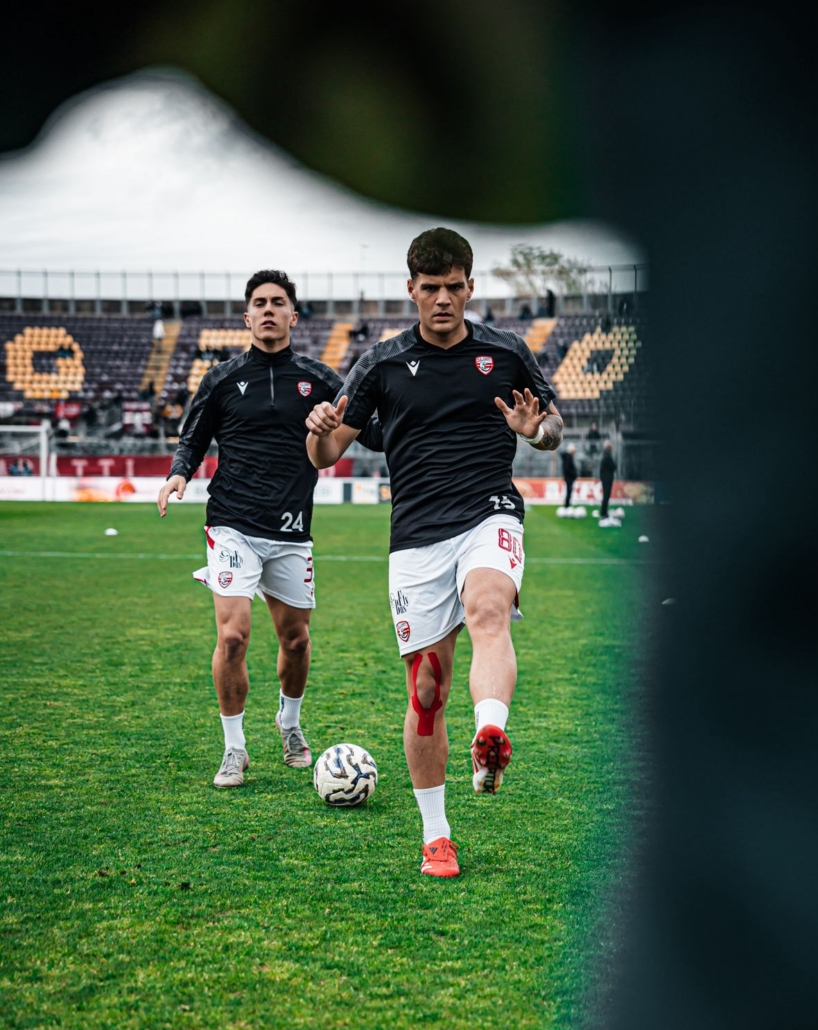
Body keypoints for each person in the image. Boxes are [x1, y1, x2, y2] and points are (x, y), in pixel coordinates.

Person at [305, 228, 562, 878]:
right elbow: (328, 453)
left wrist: (537, 432)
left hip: (489, 511)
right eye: (430, 288)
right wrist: (316, 432)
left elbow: (554, 425)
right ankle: (436, 835)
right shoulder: (381, 363)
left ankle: (489, 732)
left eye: (453, 287)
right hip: (416, 536)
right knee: (426, 689)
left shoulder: (506, 352)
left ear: (470, 287)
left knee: (489, 608)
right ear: (411, 289)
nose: (443, 298)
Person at [157, 269, 382, 789]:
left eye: (278, 302)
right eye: (259, 303)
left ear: (293, 316)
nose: (268, 310)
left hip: (291, 529)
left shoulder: (319, 378)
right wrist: (178, 474)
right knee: (233, 636)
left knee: (296, 641)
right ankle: (234, 749)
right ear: (246, 316)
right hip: (232, 523)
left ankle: (290, 723)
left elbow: (368, 431)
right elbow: (194, 437)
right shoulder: (221, 378)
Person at [598, 440, 619, 526]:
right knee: (606, 496)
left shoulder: (605, 455)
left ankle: (604, 513)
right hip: (607, 479)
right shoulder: (607, 456)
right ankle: (603, 513)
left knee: (606, 496)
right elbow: (613, 467)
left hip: (605, 478)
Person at [560, 444, 577, 508]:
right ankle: (567, 505)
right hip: (569, 478)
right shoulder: (568, 458)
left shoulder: (567, 457)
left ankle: (567, 505)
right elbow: (567, 469)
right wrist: (573, 475)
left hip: (568, 477)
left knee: (569, 492)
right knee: (568, 492)